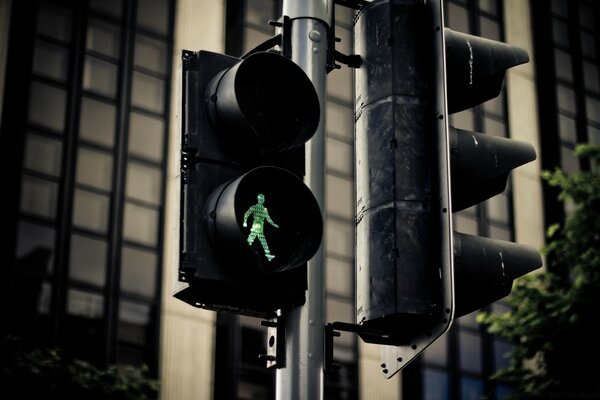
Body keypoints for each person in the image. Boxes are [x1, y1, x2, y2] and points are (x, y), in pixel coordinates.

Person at [242, 193, 279, 261]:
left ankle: (268, 255)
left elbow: (268, 219)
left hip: (260, 228)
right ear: (258, 199)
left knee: (259, 241)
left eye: (263, 199)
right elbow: (246, 214)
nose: (262, 200)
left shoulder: (265, 210)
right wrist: (245, 222)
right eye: (261, 199)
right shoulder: (254, 207)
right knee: (252, 240)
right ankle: (244, 252)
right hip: (255, 226)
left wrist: (274, 224)